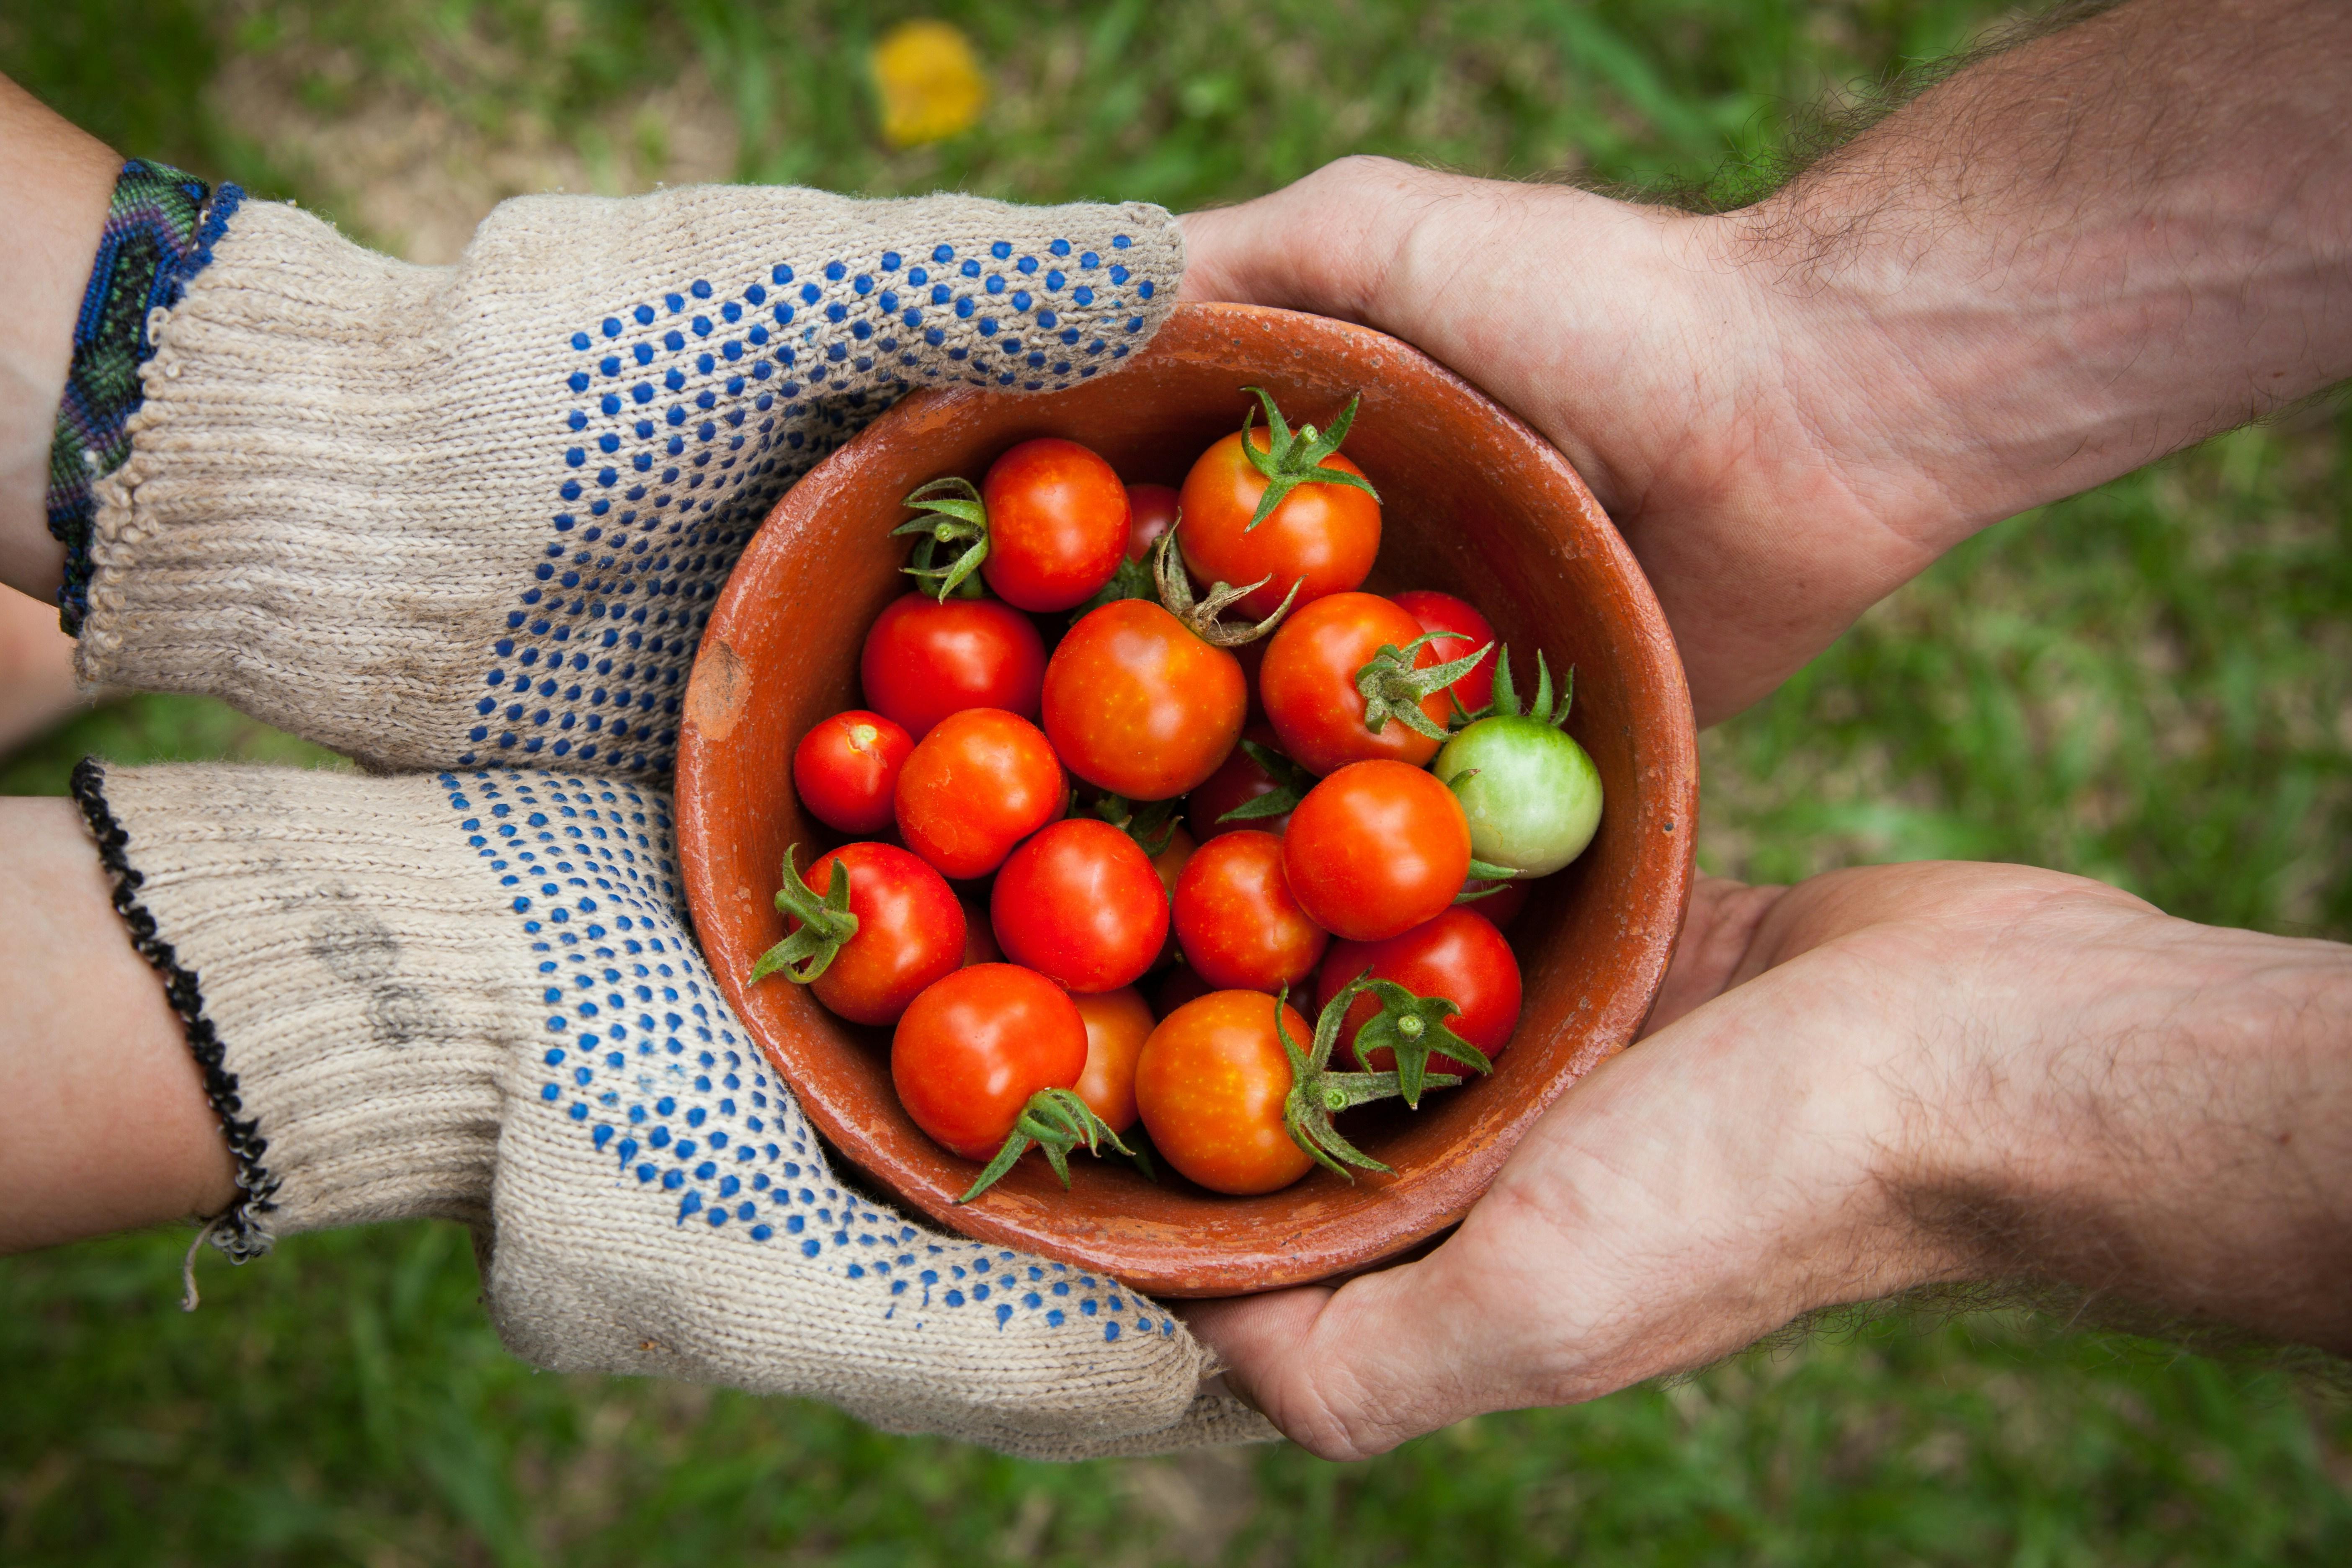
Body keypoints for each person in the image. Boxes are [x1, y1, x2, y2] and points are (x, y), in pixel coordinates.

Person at [1, 0, 2346, 1465]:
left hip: (1025, 877)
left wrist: (299, 991)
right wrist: (281, 427)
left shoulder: (1221, 832)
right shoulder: (1223, 765)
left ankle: (116, 616)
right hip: (1019, 844)